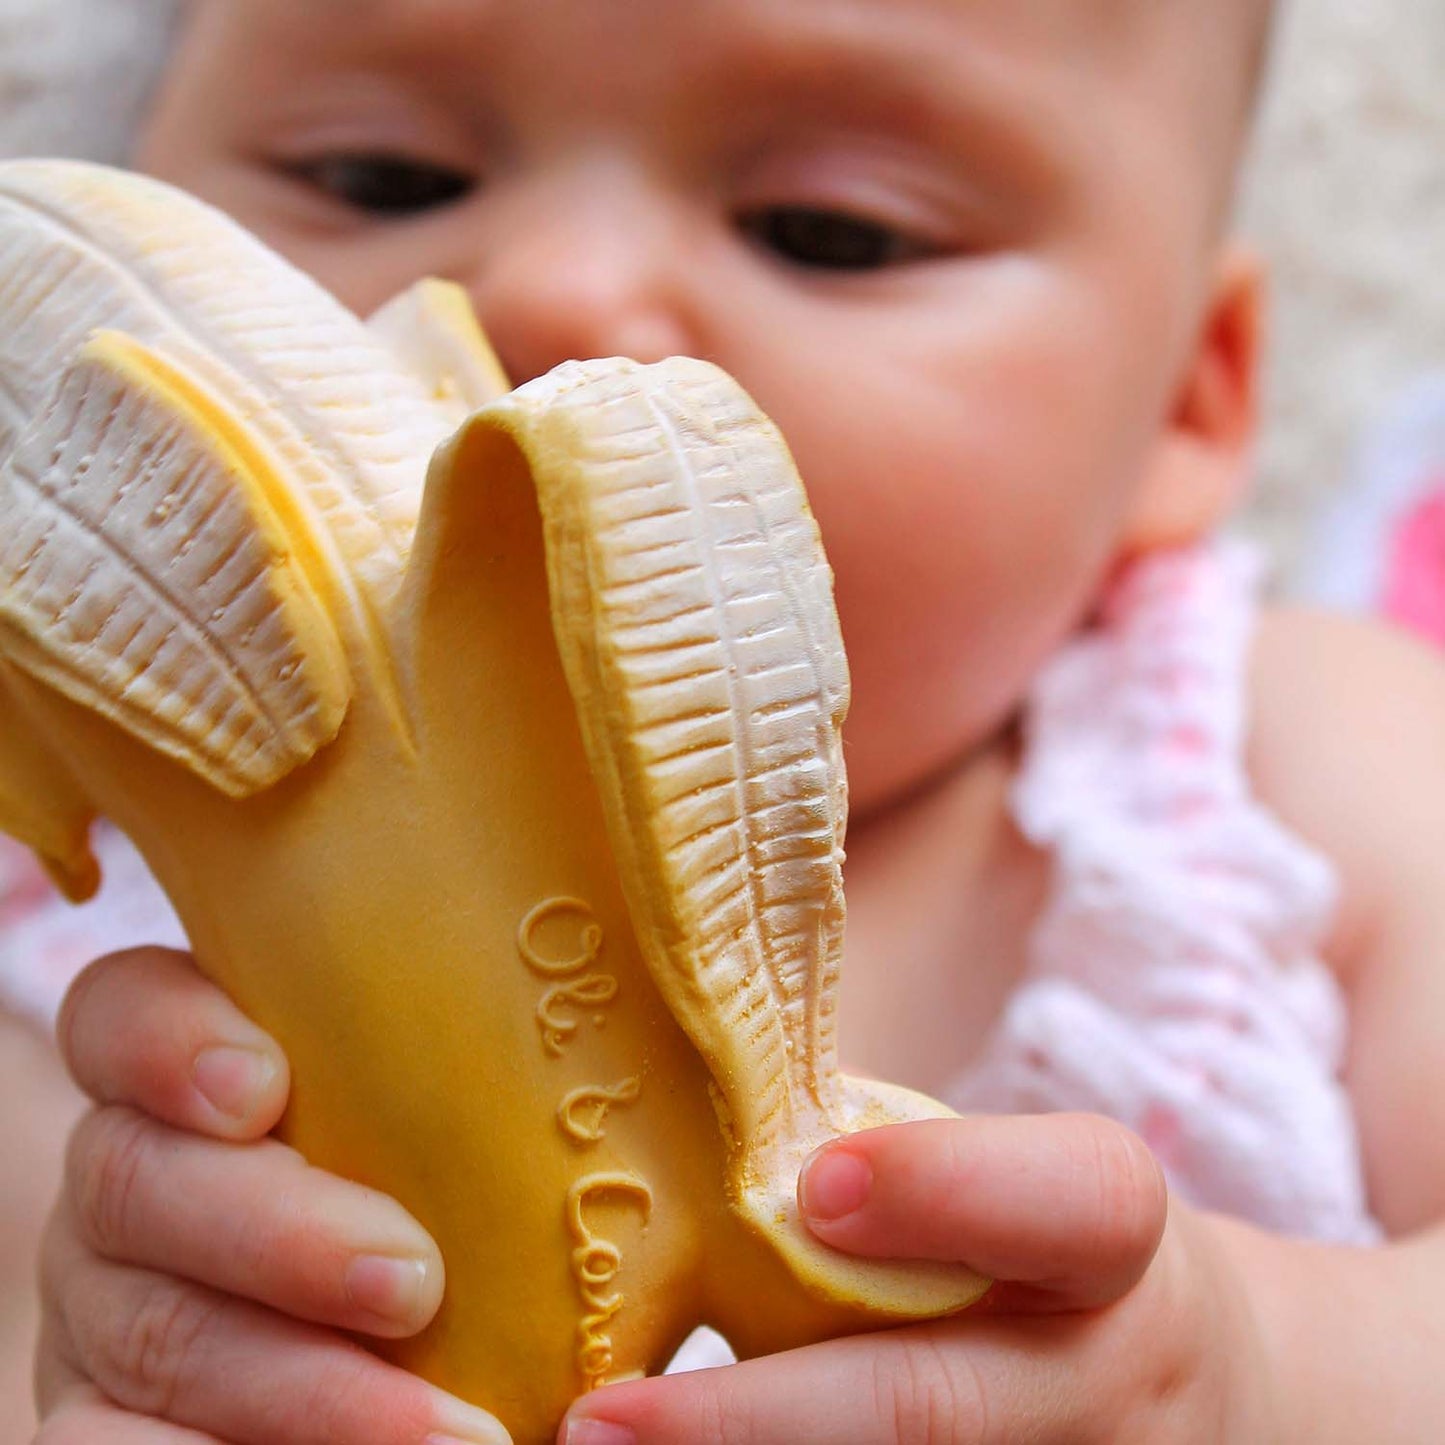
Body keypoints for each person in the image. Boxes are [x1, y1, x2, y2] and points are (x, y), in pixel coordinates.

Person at [18, 0, 1445, 1440]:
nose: (552, 291)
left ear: (1181, 410)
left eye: (827, 229)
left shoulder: (1306, 766)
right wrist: (110, 1365)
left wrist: (1259, 1369)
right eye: (380, 176)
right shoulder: (94, 998)